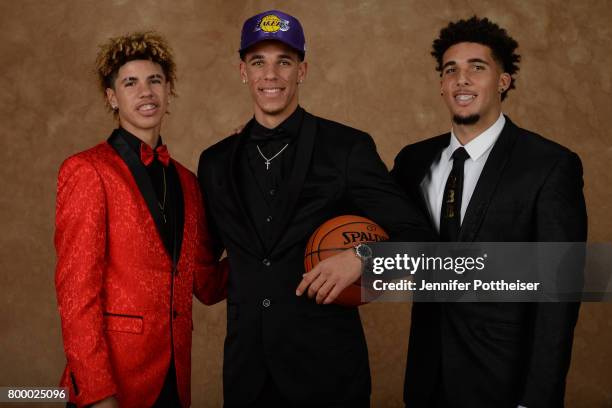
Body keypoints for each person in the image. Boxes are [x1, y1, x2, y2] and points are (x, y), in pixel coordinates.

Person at [197, 10, 433, 407]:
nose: (270, 75)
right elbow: (205, 258)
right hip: (246, 375)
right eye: (259, 62)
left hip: (329, 374)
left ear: (302, 71)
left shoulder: (347, 148)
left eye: (283, 62)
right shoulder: (216, 161)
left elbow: (419, 238)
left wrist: (362, 258)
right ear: (243, 71)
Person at [391, 16, 587, 408]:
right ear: (442, 85)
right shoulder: (414, 161)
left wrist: (537, 399)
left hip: (504, 384)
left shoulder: (548, 165)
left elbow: (558, 299)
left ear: (503, 80)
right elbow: (362, 213)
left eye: (476, 68)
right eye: (451, 70)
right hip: (427, 380)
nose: (461, 80)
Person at [54, 31, 228, 408]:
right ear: (112, 97)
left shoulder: (187, 181)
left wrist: (276, 250)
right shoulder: (87, 171)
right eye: (130, 83)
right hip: (113, 382)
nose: (145, 92)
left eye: (155, 80)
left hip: (175, 378)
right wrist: (98, 393)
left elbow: (206, 283)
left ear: (169, 91)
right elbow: (76, 296)